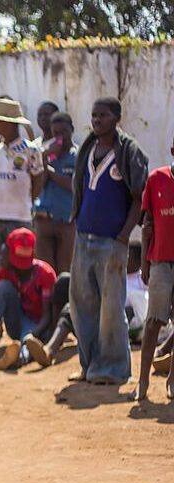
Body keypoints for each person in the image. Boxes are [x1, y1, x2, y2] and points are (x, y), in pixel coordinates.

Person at [69, 97, 149, 385]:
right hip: (84, 238)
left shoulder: (129, 151)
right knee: (81, 305)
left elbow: (140, 196)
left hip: (111, 241)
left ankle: (114, 369)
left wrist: (124, 235)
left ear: (117, 117)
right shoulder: (88, 148)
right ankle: (89, 365)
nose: (97, 120)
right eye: (94, 115)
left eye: (103, 115)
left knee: (111, 308)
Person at [0, 228, 56, 370]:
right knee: (2, 287)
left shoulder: (46, 274)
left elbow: (47, 317)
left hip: (39, 327)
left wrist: (32, 334)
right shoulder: (6, 272)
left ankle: (21, 357)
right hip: (16, 320)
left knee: (29, 342)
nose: (1, 257)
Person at [0, 98, 45, 284]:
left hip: (19, 219)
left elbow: (38, 179)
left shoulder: (30, 150)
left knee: (21, 271)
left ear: (8, 123)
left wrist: (27, 202)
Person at [135, 135, 174, 401]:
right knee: (153, 323)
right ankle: (143, 381)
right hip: (161, 260)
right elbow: (147, 224)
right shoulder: (157, 178)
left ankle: (172, 379)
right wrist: (144, 263)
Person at [34, 111, 78, 272]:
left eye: (63, 132)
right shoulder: (45, 153)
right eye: (56, 133)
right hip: (44, 218)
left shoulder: (77, 156)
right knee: (45, 269)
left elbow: (73, 185)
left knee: (65, 269)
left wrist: (53, 174)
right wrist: (45, 157)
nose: (60, 137)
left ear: (71, 130)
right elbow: (40, 183)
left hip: (66, 221)